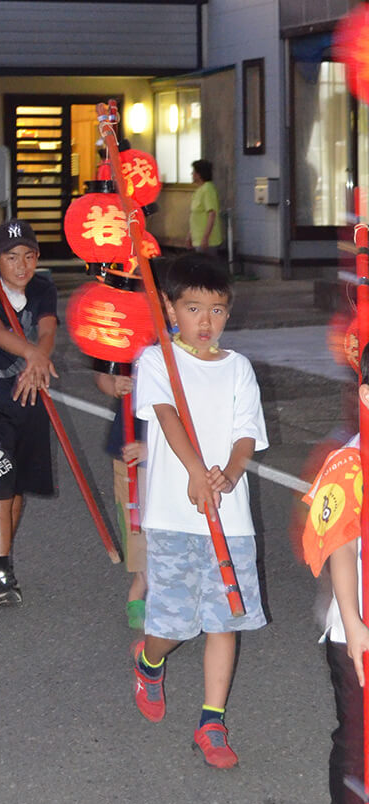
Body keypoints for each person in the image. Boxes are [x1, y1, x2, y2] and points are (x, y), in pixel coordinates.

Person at [132, 251, 266, 768]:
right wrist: (194, 471)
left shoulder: (239, 369)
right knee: (174, 624)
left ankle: (212, 721)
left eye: (217, 310)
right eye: (193, 309)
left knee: (222, 621)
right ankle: (149, 661)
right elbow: (166, 416)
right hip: (174, 515)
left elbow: (246, 433)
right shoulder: (157, 359)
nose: (205, 321)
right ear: (170, 308)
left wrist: (228, 476)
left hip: (229, 520)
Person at [0, 218, 58, 607]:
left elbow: (49, 329)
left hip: (32, 402)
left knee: (18, 491)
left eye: (29, 256)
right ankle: (2, 572)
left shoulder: (42, 288)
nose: (22, 265)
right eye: (12, 257)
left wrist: (42, 355)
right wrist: (31, 353)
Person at [301, 371, 369, 804]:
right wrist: (355, 623)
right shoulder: (350, 462)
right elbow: (342, 547)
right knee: (357, 735)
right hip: (357, 627)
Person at [94, 367, 147, 628]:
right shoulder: (121, 332)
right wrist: (113, 384)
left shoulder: (189, 333)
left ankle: (156, 589)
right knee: (135, 524)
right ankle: (141, 586)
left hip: (176, 448)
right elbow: (102, 374)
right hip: (131, 444)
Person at [187, 159, 223, 253]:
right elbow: (195, 215)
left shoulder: (208, 189)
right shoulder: (199, 190)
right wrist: (190, 235)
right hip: (197, 238)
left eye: (194, 172)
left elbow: (212, 214)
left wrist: (205, 238)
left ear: (199, 174)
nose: (192, 174)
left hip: (208, 241)